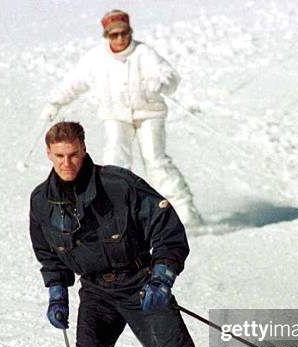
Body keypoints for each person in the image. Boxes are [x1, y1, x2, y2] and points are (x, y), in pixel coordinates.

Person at [29, 121, 271, 347]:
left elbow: (168, 230)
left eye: (74, 154)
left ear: (84, 149)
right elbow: (48, 252)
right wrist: (57, 291)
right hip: (96, 292)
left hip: (140, 283)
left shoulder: (118, 185)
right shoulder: (41, 201)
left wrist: (162, 276)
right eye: (60, 156)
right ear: (49, 154)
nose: (68, 163)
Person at [40, 9, 202, 227]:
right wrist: (55, 102)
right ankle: (116, 213)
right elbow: (73, 83)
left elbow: (170, 76)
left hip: (149, 114)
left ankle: (185, 213)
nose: (120, 39)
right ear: (106, 36)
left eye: (124, 33)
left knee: (155, 159)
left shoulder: (144, 53)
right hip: (115, 116)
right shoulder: (95, 59)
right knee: (116, 161)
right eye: (114, 35)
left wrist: (161, 83)